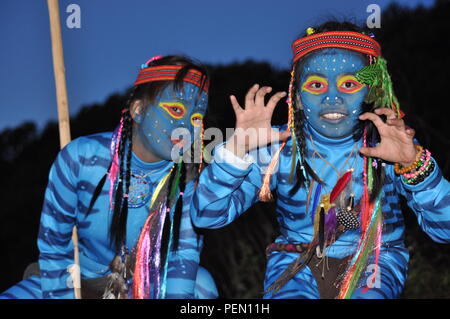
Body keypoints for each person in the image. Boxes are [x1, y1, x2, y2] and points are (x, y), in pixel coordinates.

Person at [190, 21, 450, 299]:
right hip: (295, 262)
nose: (332, 96)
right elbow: (206, 216)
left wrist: (416, 167)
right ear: (298, 96)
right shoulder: (277, 148)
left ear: (371, 91)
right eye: (316, 84)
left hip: (376, 261)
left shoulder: (389, 146)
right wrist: (235, 152)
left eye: (349, 83)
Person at [0, 55, 218, 299]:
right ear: (139, 110)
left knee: (201, 285)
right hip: (74, 283)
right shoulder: (80, 159)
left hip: (145, 287)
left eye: (196, 118)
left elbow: (182, 258)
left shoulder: (186, 181)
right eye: (176, 109)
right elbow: (54, 247)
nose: (187, 127)